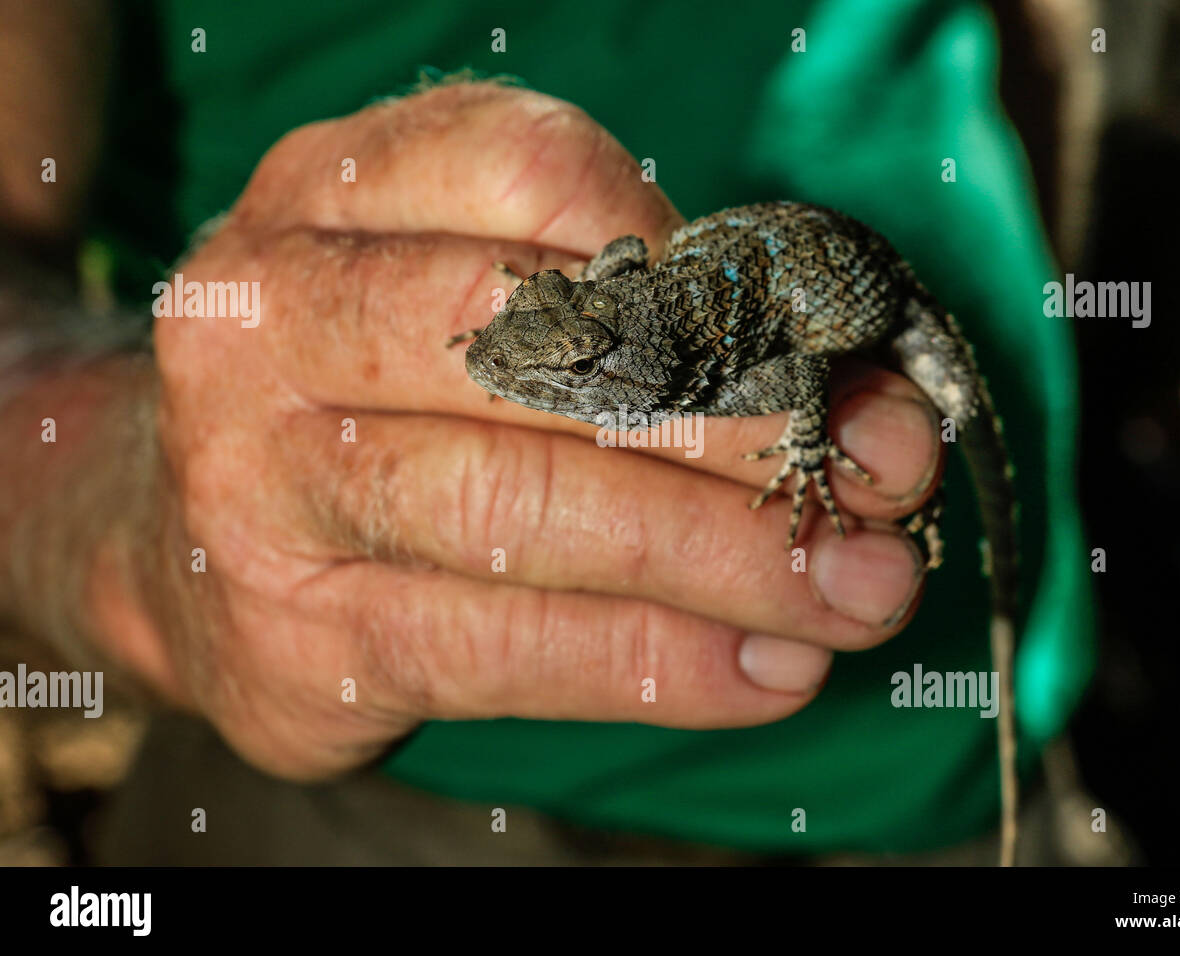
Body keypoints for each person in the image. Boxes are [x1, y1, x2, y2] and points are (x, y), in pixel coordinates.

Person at [0, 0, 1092, 863]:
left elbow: (799, 360)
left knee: (919, 427)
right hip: (385, 809)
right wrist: (128, 515)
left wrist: (818, 443)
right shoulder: (650, 340)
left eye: (562, 363)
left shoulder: (703, 371)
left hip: (954, 767)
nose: (512, 371)